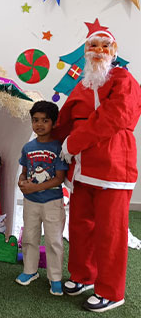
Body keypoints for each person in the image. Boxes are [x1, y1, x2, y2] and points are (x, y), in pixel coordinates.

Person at [54, 21, 141, 312]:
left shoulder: (124, 80)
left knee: (110, 233)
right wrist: (48, 142)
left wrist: (73, 143)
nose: (99, 50)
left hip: (113, 166)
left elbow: (114, 117)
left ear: (114, 51)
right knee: (80, 226)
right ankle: (83, 276)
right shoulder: (83, 85)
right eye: (93, 45)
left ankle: (111, 291)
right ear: (85, 50)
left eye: (105, 46)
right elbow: (64, 121)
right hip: (82, 170)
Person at [16, 101, 68, 296]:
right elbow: (24, 172)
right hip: (31, 202)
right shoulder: (28, 147)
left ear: (53, 123)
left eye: (45, 120)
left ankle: (55, 278)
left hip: (52, 202)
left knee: (54, 241)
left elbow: (59, 178)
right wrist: (22, 182)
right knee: (30, 237)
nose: (39, 124)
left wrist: (35, 187)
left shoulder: (58, 148)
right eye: (35, 120)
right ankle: (30, 270)